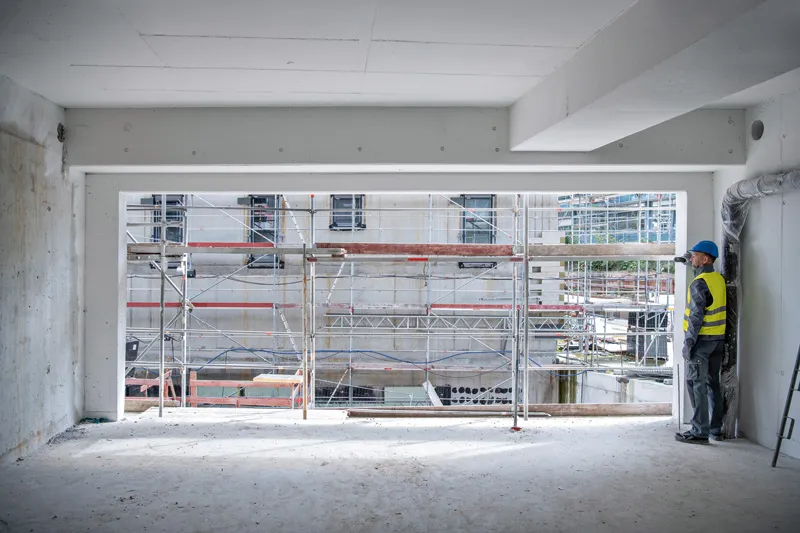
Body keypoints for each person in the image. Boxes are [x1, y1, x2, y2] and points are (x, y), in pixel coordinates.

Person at [675, 240, 726, 445]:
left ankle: (699, 431)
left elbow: (696, 317)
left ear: (705, 259)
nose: (691, 258)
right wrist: (689, 261)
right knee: (713, 384)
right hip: (718, 341)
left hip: (701, 342)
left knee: (696, 385)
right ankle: (715, 429)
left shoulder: (699, 283)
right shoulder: (718, 279)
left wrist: (688, 344)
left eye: (694, 256)